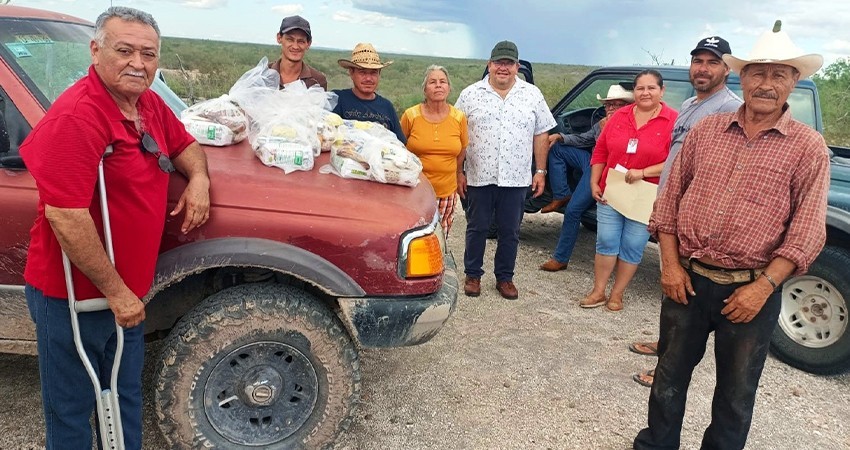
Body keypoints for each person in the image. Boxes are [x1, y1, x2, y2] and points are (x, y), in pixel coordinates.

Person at [20, 7, 211, 448]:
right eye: (124, 50)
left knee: (124, 398)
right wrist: (116, 291)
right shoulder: (78, 117)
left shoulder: (146, 102)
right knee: (71, 409)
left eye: (148, 53)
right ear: (96, 50)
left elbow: (185, 145)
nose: (138, 63)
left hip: (126, 294)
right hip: (74, 295)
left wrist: (199, 179)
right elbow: (64, 214)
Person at [634, 21, 829, 450]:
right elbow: (668, 203)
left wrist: (763, 288)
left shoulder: (808, 148)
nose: (766, 83)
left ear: (794, 81)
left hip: (751, 291)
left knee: (736, 396)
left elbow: (806, 232)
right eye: (758, 72)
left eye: (779, 74)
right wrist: (669, 265)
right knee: (667, 379)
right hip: (686, 280)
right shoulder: (706, 132)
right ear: (741, 76)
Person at [631, 36, 743, 388]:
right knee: (672, 282)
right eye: (698, 61)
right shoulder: (692, 103)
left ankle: (669, 367)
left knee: (686, 292)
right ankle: (665, 344)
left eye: (712, 62)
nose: (703, 68)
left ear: (727, 68)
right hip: (670, 207)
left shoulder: (729, 108)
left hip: (692, 215)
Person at [455, 40, 556, 300]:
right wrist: (458, 171)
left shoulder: (532, 94)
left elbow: (541, 133)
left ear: (517, 66)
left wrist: (541, 171)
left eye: (508, 63)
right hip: (479, 174)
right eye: (498, 62)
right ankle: (473, 275)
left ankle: (505, 278)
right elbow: (457, 135)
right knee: (476, 227)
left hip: (516, 177)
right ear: (489, 65)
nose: (503, 67)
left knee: (510, 230)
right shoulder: (469, 95)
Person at [582, 70, 677, 312]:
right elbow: (601, 151)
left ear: (661, 91)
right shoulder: (619, 116)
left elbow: (678, 159)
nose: (645, 93)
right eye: (640, 88)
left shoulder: (673, 121)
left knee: (633, 244)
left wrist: (643, 172)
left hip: (646, 195)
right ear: (633, 92)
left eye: (651, 88)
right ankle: (598, 290)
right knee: (606, 240)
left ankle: (617, 294)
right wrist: (594, 182)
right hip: (612, 189)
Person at [538, 85, 634, 272]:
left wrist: (610, 131)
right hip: (593, 161)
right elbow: (584, 140)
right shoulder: (602, 123)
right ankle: (561, 194)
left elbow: (619, 155)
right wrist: (560, 136)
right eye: (608, 105)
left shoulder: (633, 126)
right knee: (558, 148)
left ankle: (561, 258)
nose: (611, 109)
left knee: (573, 210)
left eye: (617, 104)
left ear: (628, 106)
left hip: (606, 170)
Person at [401, 65, 468, 238]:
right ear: (425, 89)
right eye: (432, 82)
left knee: (440, 239)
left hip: (446, 192)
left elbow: (462, 149)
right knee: (413, 239)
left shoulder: (459, 118)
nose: (438, 85)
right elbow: (400, 148)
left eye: (442, 82)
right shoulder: (411, 115)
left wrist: (459, 173)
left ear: (449, 88)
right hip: (414, 191)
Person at [333, 43, 406, 143]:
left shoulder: (387, 106)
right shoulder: (337, 100)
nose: (368, 78)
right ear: (351, 72)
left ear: (379, 74)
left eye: (373, 73)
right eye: (362, 72)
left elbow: (400, 143)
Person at [269, 15, 327, 90]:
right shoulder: (262, 75)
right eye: (290, 39)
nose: (295, 46)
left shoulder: (317, 81)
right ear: (279, 38)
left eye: (301, 41)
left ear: (308, 43)